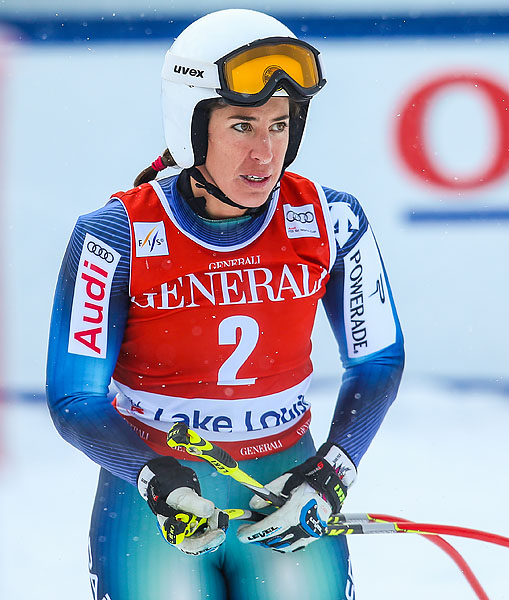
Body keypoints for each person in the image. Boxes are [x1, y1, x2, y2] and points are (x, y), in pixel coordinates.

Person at [45, 9, 404, 599]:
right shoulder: (113, 236)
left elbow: (378, 361)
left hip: (287, 484)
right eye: (242, 126)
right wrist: (155, 478)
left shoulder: (331, 219)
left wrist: (331, 474)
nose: (266, 153)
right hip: (157, 502)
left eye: (280, 125)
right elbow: (74, 397)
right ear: (190, 127)